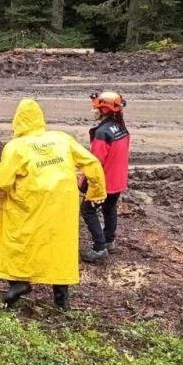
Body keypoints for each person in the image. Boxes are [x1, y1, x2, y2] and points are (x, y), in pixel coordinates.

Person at [0, 99, 106, 310]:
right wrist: (96, 191)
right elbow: (92, 163)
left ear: (18, 121)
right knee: (60, 248)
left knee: (20, 242)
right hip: (62, 205)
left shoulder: (15, 147)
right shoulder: (61, 138)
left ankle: (19, 283)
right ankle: (62, 300)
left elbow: (1, 180)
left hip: (29, 206)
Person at [80, 91, 131, 262]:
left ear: (105, 109)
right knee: (110, 208)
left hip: (105, 182)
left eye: (95, 108)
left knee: (87, 210)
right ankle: (109, 241)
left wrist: (83, 182)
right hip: (118, 180)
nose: (92, 111)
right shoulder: (121, 128)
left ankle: (99, 248)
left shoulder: (102, 133)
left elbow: (95, 162)